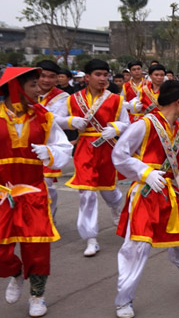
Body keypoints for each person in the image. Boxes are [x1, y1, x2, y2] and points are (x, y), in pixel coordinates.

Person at [111, 80, 179, 318]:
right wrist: (144, 172)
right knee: (137, 245)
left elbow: (178, 164)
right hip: (145, 193)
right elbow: (119, 154)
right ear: (178, 101)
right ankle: (124, 300)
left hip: (168, 192)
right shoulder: (144, 125)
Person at [0, 67, 72, 318]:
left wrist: (50, 153)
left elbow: (63, 147)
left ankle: (37, 295)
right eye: (32, 84)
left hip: (33, 191)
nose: (39, 88)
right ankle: (16, 272)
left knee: (37, 247)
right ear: (14, 88)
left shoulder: (43, 117)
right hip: (2, 193)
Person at [65, 59, 130, 257]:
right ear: (87, 77)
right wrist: (70, 121)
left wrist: (116, 129)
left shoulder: (116, 99)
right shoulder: (72, 99)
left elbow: (127, 123)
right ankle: (91, 238)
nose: (103, 79)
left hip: (108, 148)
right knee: (87, 193)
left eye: (105, 75)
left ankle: (116, 207)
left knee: (109, 190)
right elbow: (54, 120)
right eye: (98, 75)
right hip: (85, 148)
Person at [35, 60, 70, 220]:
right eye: (43, 76)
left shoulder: (62, 97)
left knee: (46, 185)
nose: (46, 80)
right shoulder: (25, 91)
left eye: (51, 76)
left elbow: (57, 120)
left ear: (57, 78)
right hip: (24, 143)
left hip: (49, 145)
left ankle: (48, 217)